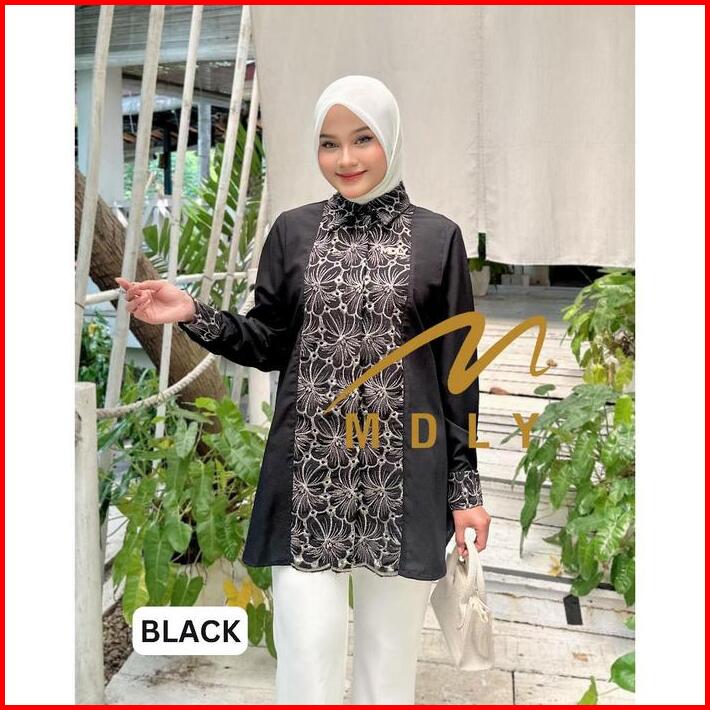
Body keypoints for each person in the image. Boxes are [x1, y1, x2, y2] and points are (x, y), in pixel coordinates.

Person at [117, 74, 492, 704]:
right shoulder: (294, 232)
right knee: (305, 663)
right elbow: (267, 342)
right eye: (328, 143)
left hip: (404, 482)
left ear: (392, 139)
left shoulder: (438, 239)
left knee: (387, 669)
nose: (345, 159)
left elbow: (460, 375)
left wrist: (465, 491)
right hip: (308, 481)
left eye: (363, 139)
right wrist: (193, 313)